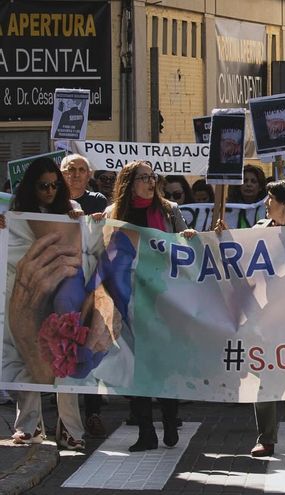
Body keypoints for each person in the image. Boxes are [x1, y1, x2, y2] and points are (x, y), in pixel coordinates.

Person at [105, 161, 197, 452]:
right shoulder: (114, 214)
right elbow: (105, 251)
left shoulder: (169, 210)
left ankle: (170, 421)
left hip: (163, 298)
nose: (149, 181)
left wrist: (188, 237)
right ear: (129, 183)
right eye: (143, 177)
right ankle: (146, 431)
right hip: (129, 298)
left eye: (152, 177)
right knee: (138, 367)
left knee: (163, 364)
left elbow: (183, 243)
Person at [5, 157, 87, 450]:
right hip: (23, 290)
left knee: (64, 364)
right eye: (44, 186)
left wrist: (84, 223)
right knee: (26, 359)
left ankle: (71, 430)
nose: (50, 191)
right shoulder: (13, 213)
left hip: (61, 296)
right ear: (31, 187)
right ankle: (28, 426)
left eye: (55, 185)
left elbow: (81, 247)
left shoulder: (72, 210)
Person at [235, 180, 285, 457]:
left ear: (284, 203)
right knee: (265, 381)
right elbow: (240, 258)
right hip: (267, 318)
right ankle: (266, 439)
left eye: (270, 198)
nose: (265, 203)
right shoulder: (259, 231)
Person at [60, 154, 109, 439]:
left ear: (88, 174)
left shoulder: (98, 201)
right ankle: (63, 419)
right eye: (71, 170)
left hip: (91, 283)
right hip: (63, 284)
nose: (76, 175)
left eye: (81, 170)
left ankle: (92, 413)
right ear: (61, 173)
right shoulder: (52, 199)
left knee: (88, 349)